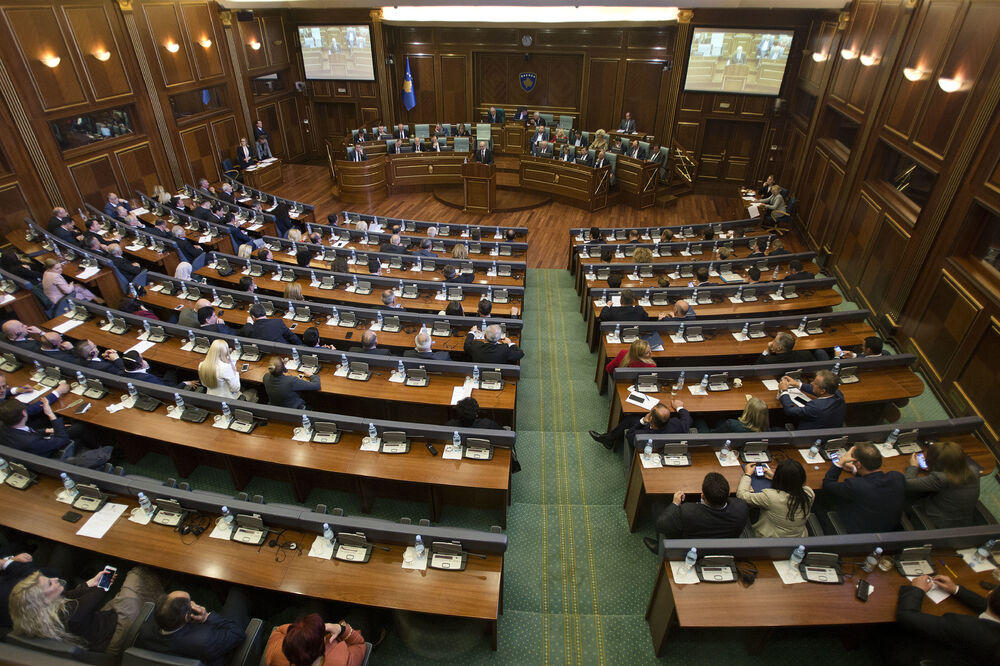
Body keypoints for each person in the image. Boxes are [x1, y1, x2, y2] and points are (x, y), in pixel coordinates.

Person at [9, 567, 162, 655]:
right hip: (115, 632)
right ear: (43, 600)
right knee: (138, 574)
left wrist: (89, 584)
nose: (55, 579)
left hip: (97, 629)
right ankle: (163, 603)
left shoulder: (39, 616)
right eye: (50, 583)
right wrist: (99, 585)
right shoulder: (73, 614)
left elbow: (68, 596)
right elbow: (98, 594)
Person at [895, 574, 1000, 664]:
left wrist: (917, 589)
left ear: (989, 593)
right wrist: (955, 589)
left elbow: (907, 616)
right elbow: (987, 604)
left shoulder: (965, 626)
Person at [135, 588, 248, 666]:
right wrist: (207, 617)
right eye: (190, 603)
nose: (193, 603)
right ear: (186, 617)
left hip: (187, 651)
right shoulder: (205, 640)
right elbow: (237, 633)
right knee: (237, 592)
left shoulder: (144, 630)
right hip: (216, 652)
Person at [644, 472, 749, 552]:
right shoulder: (742, 507)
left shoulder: (686, 512)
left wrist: (675, 503)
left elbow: (661, 525)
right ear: (729, 494)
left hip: (690, 549)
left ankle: (660, 547)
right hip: (723, 546)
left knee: (657, 505)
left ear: (702, 495)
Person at [821, 441, 904, 533]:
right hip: (892, 533)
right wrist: (855, 469)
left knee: (823, 505)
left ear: (859, 464)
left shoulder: (855, 485)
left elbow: (828, 484)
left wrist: (841, 462)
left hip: (862, 535)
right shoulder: (897, 477)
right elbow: (872, 480)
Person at [904, 441, 980, 528]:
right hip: (963, 520)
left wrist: (913, 466)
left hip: (940, 523)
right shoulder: (974, 470)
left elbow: (907, 483)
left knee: (902, 496)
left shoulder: (940, 478)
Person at [736, 459, 814, 538]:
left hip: (772, 539)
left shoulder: (771, 497)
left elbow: (741, 496)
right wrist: (774, 476)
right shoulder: (809, 493)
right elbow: (794, 484)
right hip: (799, 538)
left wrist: (747, 474)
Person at [265, 613, 367, 666]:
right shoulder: (342, 661)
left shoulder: (276, 653)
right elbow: (359, 644)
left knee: (314, 605)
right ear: (321, 646)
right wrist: (341, 629)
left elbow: (278, 631)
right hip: (344, 640)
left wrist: (302, 631)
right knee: (360, 616)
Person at [588, 400, 689, 452]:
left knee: (630, 420)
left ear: (651, 419)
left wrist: (642, 421)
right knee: (630, 419)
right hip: (660, 431)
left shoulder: (642, 436)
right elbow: (687, 419)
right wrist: (679, 407)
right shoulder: (678, 424)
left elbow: (629, 435)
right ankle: (609, 439)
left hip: (651, 447)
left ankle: (608, 439)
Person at [778, 370, 845, 430]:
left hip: (807, 439)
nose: (811, 383)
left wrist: (784, 391)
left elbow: (790, 411)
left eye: (815, 383)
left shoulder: (816, 407)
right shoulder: (838, 394)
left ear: (822, 391)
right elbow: (815, 389)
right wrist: (797, 384)